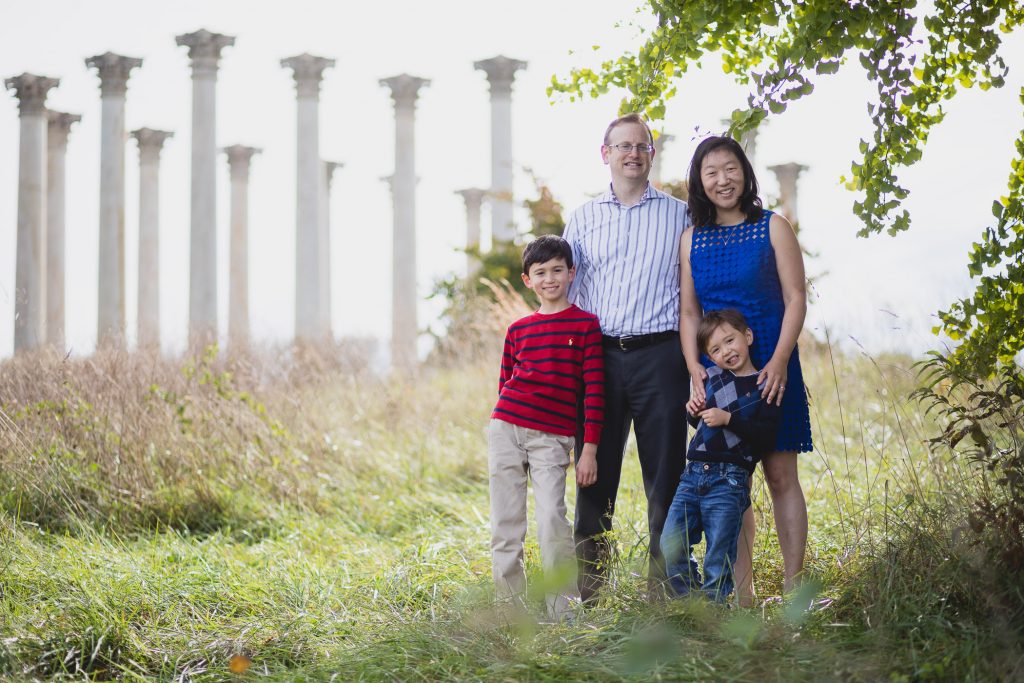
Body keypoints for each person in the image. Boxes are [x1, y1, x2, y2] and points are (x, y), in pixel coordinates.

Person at [679, 134, 813, 604]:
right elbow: (690, 313)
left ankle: (796, 589)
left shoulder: (773, 226)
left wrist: (777, 360)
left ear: (745, 171)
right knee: (730, 486)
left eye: (730, 168)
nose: (722, 179)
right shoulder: (692, 238)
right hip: (719, 379)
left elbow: (797, 297)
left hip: (772, 370)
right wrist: (695, 368)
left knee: (781, 477)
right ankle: (743, 594)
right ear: (699, 180)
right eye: (711, 171)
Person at [563, 113, 691, 601]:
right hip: (597, 359)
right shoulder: (582, 218)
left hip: (660, 355)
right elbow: (567, 292)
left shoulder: (679, 215)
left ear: (651, 154)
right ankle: (591, 590)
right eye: (623, 146)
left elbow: (691, 291)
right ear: (606, 154)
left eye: (641, 146)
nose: (633, 153)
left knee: (666, 475)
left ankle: (665, 589)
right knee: (594, 474)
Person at [488, 235, 605, 621]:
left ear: (572, 273)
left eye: (557, 270)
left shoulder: (586, 325)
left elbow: (594, 393)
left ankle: (564, 613)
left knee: (553, 520)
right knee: (506, 523)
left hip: (552, 438)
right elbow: (506, 382)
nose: (550, 278)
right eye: (541, 272)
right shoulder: (518, 329)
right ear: (528, 280)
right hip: (507, 427)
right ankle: (512, 612)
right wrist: (502, 422)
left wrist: (589, 448)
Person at [661, 309, 781, 603]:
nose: (726, 351)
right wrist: (694, 412)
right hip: (692, 475)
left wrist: (728, 419)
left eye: (730, 341)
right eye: (716, 349)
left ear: (748, 336)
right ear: (709, 357)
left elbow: (765, 436)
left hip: (729, 481)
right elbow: (703, 424)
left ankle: (713, 614)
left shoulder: (763, 384)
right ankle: (691, 603)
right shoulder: (712, 378)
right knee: (671, 543)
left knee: (719, 553)